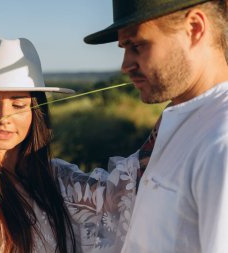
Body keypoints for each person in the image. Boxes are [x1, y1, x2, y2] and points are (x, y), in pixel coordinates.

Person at [0, 38, 140, 253]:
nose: (3, 117)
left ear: (36, 110)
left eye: (18, 105)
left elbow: (122, 194)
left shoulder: (58, 178)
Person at [84, 0, 228, 252]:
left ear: (194, 28)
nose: (125, 65)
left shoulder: (220, 140)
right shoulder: (182, 120)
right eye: (124, 48)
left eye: (137, 45)